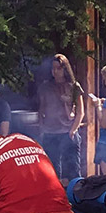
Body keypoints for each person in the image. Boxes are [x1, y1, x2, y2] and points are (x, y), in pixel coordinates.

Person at [32, 53, 88, 185]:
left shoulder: (74, 86)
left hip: (68, 132)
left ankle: (74, 196)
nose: (55, 71)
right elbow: (41, 110)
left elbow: (81, 112)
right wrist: (42, 128)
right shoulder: (45, 87)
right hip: (51, 133)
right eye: (53, 68)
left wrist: (73, 130)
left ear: (65, 69)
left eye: (58, 68)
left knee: (73, 171)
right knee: (52, 172)